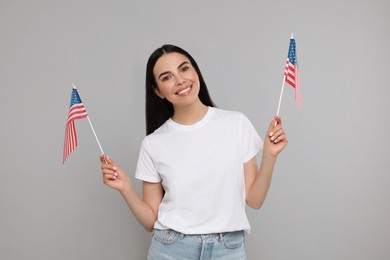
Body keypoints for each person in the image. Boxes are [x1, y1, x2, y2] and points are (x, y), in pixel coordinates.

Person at [100, 44, 288, 259]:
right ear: (157, 91)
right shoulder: (153, 144)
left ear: (195, 71)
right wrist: (126, 188)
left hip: (227, 250)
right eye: (166, 77)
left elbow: (255, 200)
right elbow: (150, 222)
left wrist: (270, 157)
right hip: (171, 250)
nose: (180, 80)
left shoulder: (236, 124)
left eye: (184, 69)